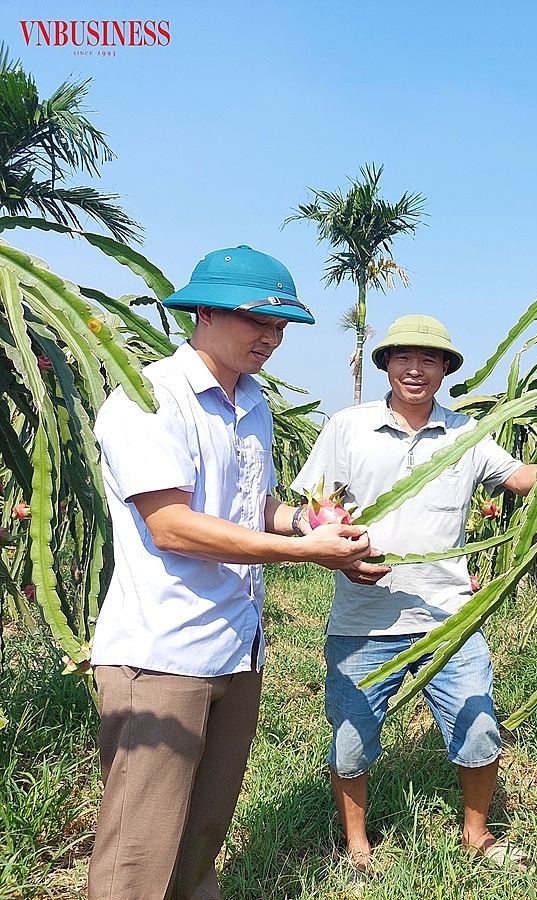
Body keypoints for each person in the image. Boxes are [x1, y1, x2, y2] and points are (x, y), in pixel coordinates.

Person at [87, 246, 375, 900]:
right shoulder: (151, 400)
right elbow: (172, 526)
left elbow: (253, 504)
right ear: (206, 313)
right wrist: (306, 554)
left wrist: (308, 525)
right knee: (138, 853)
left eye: (280, 326)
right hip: (163, 654)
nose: (272, 338)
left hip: (237, 649)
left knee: (200, 838)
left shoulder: (253, 403)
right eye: (257, 322)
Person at [293, 314, 537, 873]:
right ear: (386, 364)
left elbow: (518, 477)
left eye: (429, 359)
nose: (415, 369)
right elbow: (315, 507)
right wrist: (332, 550)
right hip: (363, 619)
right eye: (404, 357)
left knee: (479, 730)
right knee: (351, 740)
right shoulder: (346, 428)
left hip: (449, 617)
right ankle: (357, 847)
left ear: (445, 370)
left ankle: (476, 836)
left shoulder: (467, 434)